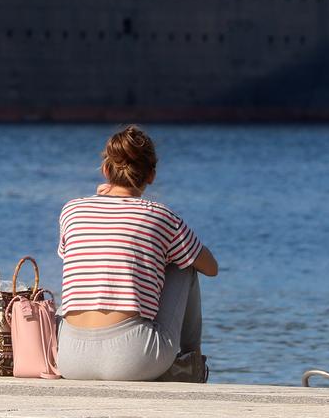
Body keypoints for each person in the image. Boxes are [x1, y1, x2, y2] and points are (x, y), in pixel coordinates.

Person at [55, 125, 219, 382]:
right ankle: (191, 362)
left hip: (70, 359)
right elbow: (211, 267)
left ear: (106, 170)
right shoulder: (161, 215)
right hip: (132, 358)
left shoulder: (71, 211)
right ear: (151, 175)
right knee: (186, 262)